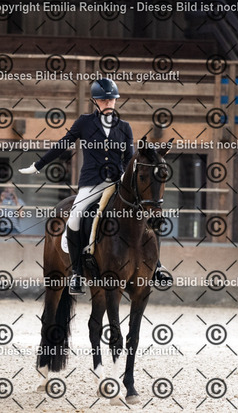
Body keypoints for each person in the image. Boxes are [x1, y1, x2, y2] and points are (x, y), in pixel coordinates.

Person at [19, 78, 170, 295]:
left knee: (148, 215)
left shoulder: (124, 127)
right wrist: (38, 165)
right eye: (104, 100)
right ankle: (77, 273)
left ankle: (156, 267)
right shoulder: (85, 123)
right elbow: (63, 144)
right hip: (91, 183)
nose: (108, 103)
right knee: (75, 217)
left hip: (117, 183)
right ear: (95, 101)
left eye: (112, 99)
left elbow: (128, 159)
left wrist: (128, 179)